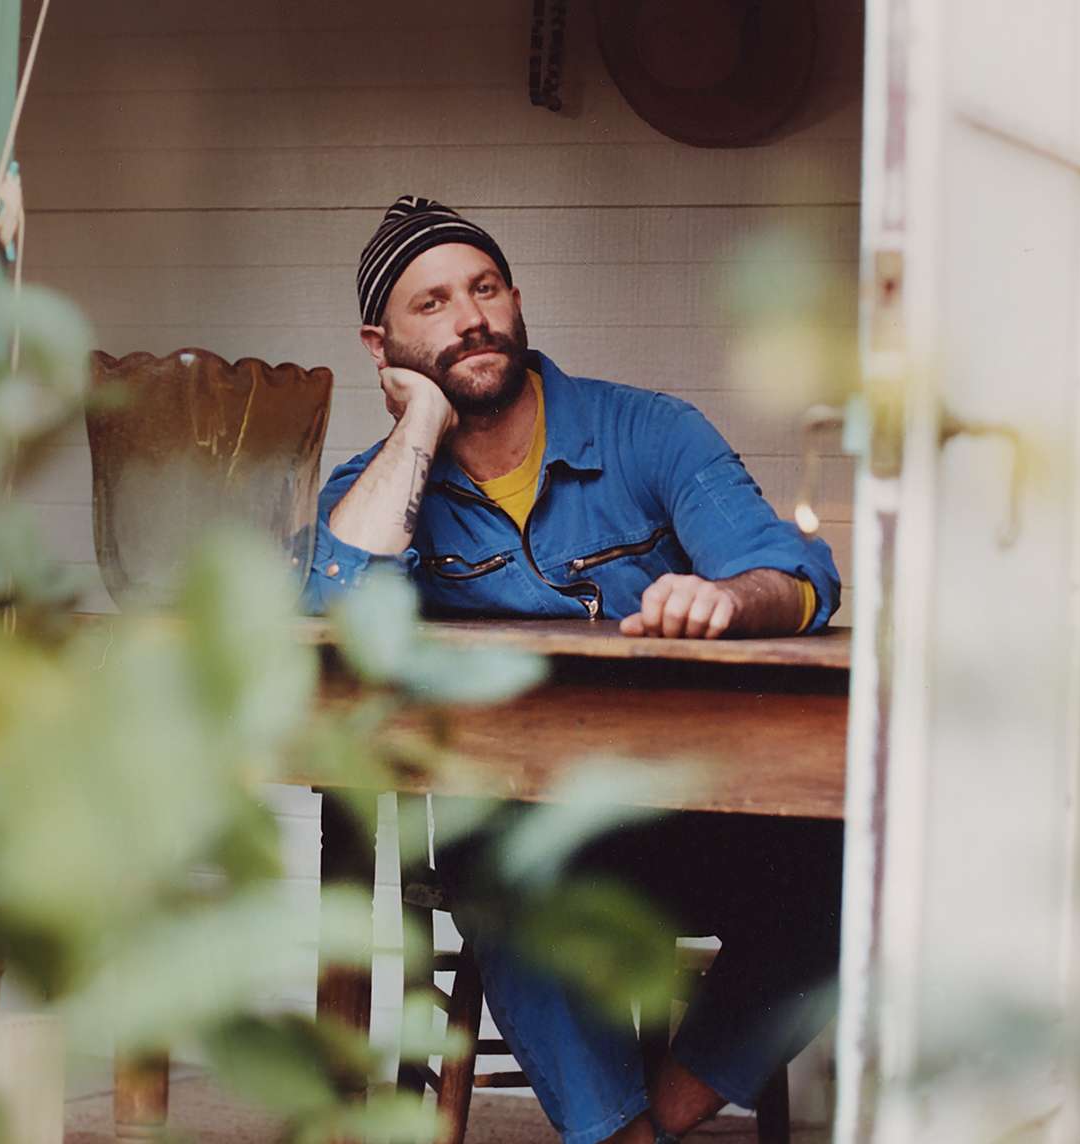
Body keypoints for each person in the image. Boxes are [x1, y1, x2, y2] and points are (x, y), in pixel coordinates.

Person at [303, 195, 844, 1144]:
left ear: (515, 300)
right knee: (500, 861)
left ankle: (654, 1124)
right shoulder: (376, 486)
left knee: (856, 869)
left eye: (483, 290)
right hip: (526, 839)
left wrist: (727, 601)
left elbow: (798, 574)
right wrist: (420, 425)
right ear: (377, 345)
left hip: (693, 812)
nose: (469, 317)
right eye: (428, 305)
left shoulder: (651, 433)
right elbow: (339, 612)